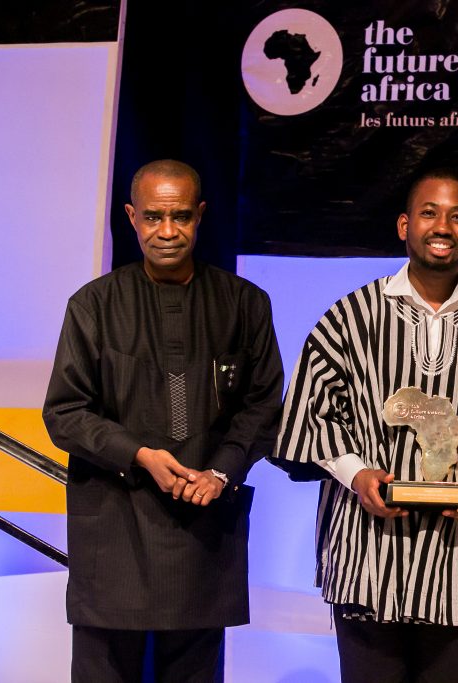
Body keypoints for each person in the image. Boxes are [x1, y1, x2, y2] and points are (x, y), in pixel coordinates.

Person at [271, 169, 458, 682]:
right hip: (368, 552)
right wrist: (357, 476)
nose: (443, 226)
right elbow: (311, 412)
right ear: (404, 225)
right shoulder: (350, 316)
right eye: (430, 213)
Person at [43, 159, 284, 682]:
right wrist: (139, 454)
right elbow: (64, 412)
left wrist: (221, 470)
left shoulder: (244, 304)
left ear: (200, 216)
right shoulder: (95, 305)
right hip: (114, 531)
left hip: (201, 530)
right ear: (132, 217)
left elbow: (263, 403)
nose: (167, 232)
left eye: (180, 216)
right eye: (153, 217)